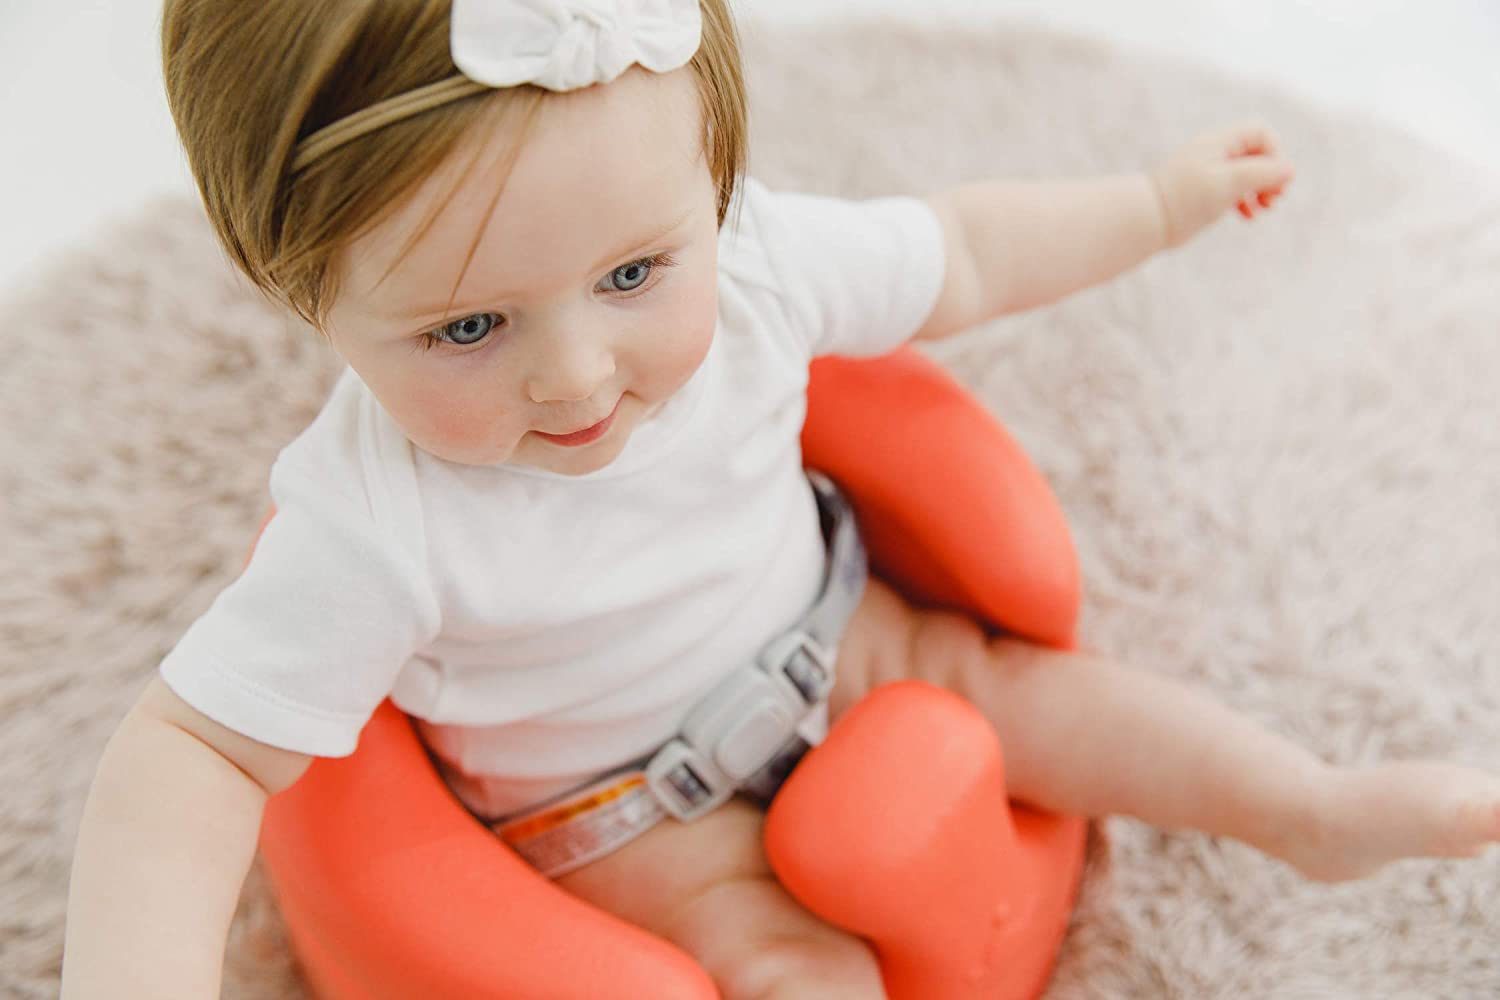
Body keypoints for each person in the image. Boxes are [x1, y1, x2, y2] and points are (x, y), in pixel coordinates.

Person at [61, 1, 1500, 997]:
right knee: (801, 972)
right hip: (632, 817)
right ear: (303, 298)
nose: (578, 377)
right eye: (466, 331)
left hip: (841, 630)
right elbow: (186, 756)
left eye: (633, 277)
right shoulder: (369, 526)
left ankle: (1305, 808)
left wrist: (1156, 201)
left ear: (710, 182)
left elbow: (971, 253)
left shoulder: (754, 269)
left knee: (1035, 693)